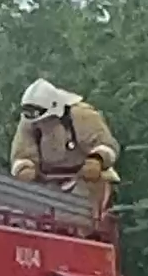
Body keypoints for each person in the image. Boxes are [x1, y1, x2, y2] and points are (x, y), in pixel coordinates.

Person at [9, 79, 120, 215]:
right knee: (31, 211)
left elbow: (107, 145)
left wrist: (97, 160)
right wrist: (24, 168)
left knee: (80, 214)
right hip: (47, 183)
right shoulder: (29, 122)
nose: (41, 124)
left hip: (83, 179)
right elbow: (21, 154)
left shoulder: (81, 115)